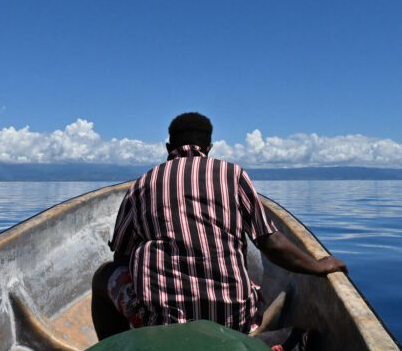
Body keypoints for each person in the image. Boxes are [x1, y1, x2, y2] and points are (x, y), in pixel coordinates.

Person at [91, 112, 347, 339]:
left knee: (104, 275)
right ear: (209, 147)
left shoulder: (142, 184)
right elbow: (271, 242)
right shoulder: (233, 176)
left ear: (168, 146)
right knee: (251, 286)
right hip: (235, 322)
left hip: (160, 325)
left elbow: (121, 255)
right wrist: (316, 266)